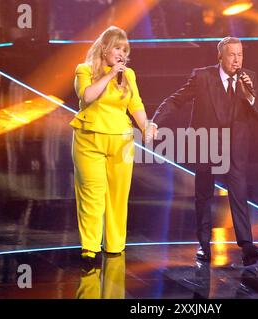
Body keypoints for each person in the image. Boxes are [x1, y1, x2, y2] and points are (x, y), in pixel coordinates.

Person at [146, 37, 258, 266]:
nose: (237, 60)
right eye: (232, 55)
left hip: (235, 147)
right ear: (221, 56)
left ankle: (247, 247)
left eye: (240, 55)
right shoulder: (203, 76)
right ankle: (204, 245)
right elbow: (176, 100)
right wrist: (155, 122)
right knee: (204, 195)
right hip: (207, 144)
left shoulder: (249, 78)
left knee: (239, 194)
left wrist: (250, 95)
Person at [71, 26, 148, 264]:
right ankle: (90, 246)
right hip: (89, 137)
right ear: (104, 48)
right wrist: (110, 74)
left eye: (125, 49)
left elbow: (135, 103)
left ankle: (115, 245)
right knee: (92, 194)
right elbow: (87, 96)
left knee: (118, 195)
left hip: (121, 140)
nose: (121, 53)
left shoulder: (129, 75)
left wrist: (146, 126)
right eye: (117, 47)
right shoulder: (84, 70)